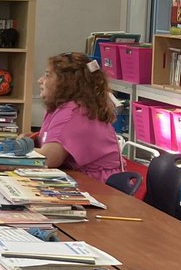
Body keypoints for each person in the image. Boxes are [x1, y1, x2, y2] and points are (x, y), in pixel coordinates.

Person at [32, 52, 122, 182]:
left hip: (98, 185)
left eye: (47, 75)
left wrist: (12, 155)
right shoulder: (65, 108)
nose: (40, 80)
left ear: (65, 82)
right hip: (85, 178)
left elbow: (49, 158)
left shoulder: (73, 112)